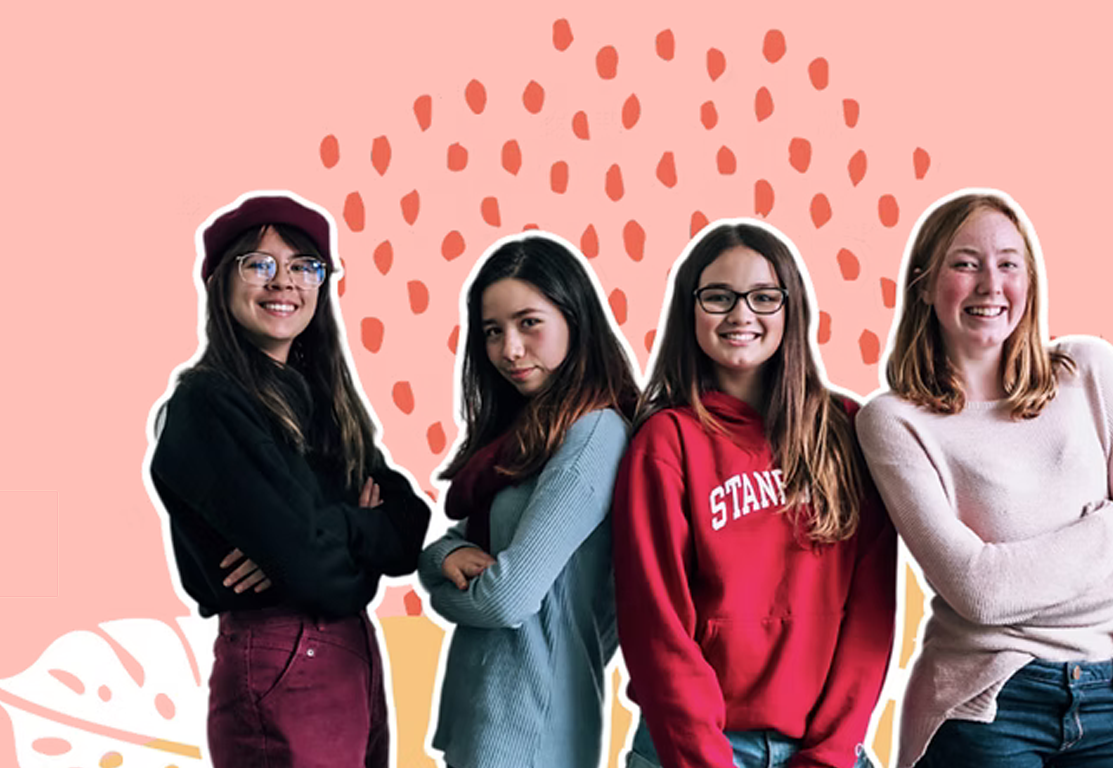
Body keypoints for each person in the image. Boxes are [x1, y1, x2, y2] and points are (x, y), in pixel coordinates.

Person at [856, 190, 1113, 767]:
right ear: (923, 283)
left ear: (1030, 281)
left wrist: (1018, 590)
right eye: (966, 263)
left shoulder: (1091, 370)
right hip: (985, 699)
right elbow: (979, 591)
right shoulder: (893, 420)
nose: (991, 284)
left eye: (1009, 263)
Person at [147, 192, 431, 767]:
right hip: (285, 654)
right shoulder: (209, 405)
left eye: (305, 266)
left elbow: (408, 528)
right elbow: (318, 574)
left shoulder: (326, 403)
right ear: (221, 283)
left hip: (349, 651)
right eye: (259, 264)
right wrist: (344, 529)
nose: (284, 283)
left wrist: (324, 526)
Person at [614, 220, 896, 768]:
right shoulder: (667, 442)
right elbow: (656, 625)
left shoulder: (843, 430)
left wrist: (830, 754)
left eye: (764, 297)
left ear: (792, 310)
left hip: (827, 752)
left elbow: (871, 613)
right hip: (694, 750)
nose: (742, 314)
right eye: (718, 297)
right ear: (689, 310)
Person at [416, 234, 639, 768]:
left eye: (528, 323)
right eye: (493, 332)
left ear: (574, 317)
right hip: (486, 716)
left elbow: (505, 599)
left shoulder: (594, 434)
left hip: (532, 729)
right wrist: (440, 560)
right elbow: (455, 545)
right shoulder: (523, 436)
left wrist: (439, 597)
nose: (508, 349)